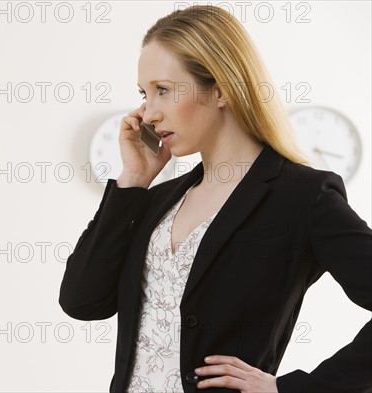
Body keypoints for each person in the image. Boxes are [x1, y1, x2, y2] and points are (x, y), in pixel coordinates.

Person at [58, 5, 372, 393]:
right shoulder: (156, 200)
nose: (148, 113)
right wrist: (133, 181)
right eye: (143, 93)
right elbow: (81, 301)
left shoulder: (303, 197)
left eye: (163, 90)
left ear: (221, 88)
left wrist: (291, 389)